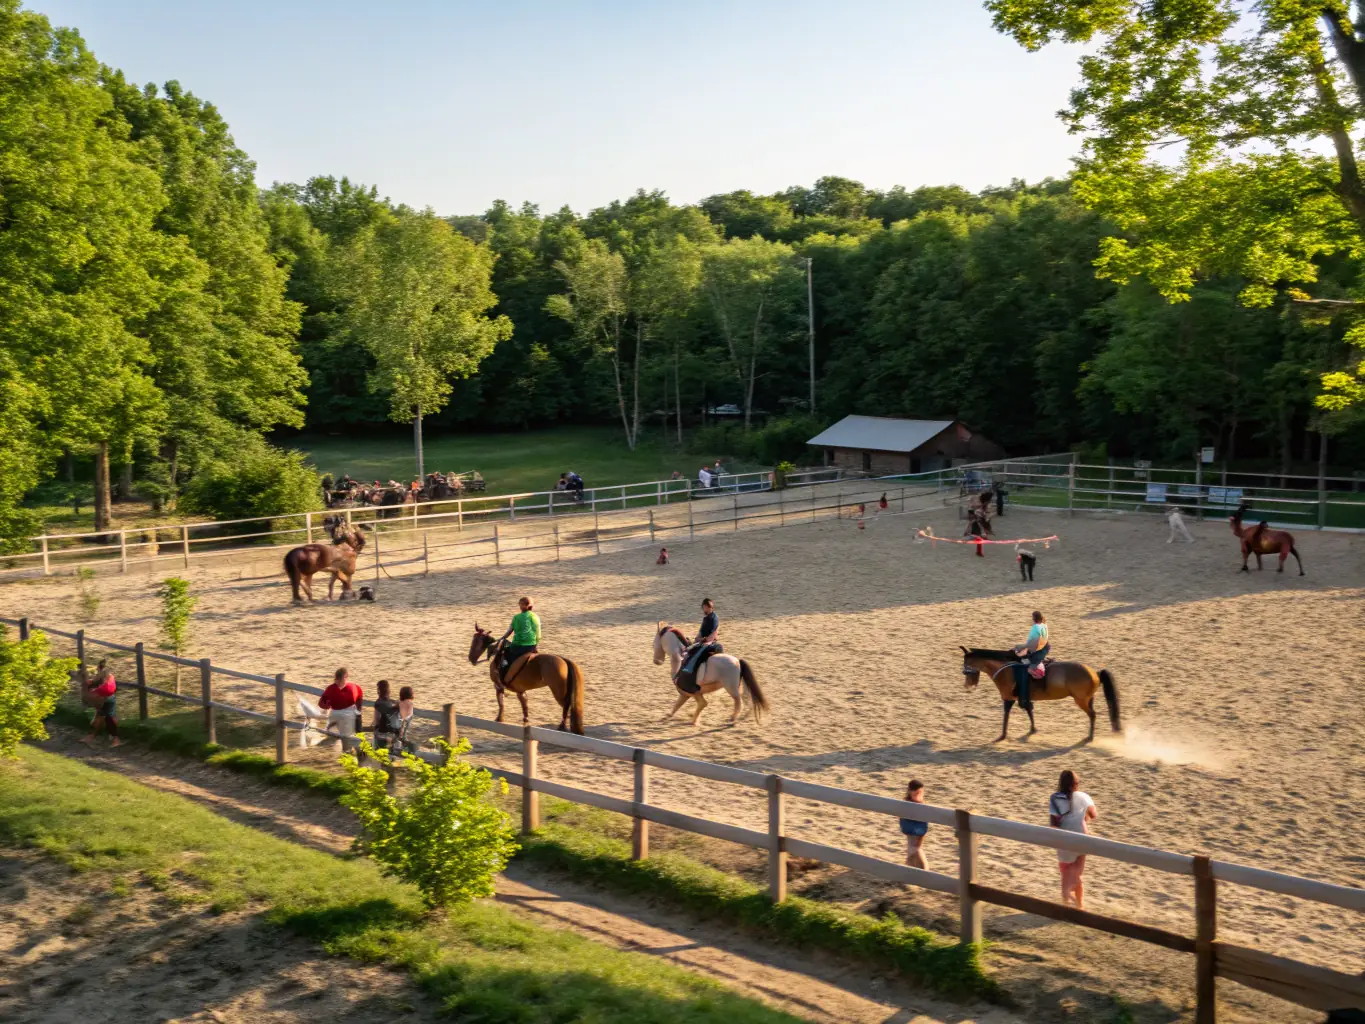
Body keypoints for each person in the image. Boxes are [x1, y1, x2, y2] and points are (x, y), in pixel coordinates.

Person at [1050, 769, 1098, 908]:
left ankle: (1067, 902)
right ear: (1075, 784)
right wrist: (1084, 815)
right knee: (1077, 874)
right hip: (1082, 838)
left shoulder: (1055, 798)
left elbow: (1053, 824)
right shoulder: (1083, 796)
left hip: (1064, 839)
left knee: (1066, 874)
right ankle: (1079, 904)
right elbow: (1093, 814)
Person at [319, 668, 364, 751]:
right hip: (338, 713)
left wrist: (358, 711)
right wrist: (327, 706)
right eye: (339, 680)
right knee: (342, 735)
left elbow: (359, 697)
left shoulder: (352, 687)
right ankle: (348, 751)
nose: (339, 682)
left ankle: (351, 751)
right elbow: (322, 702)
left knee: (348, 735)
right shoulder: (331, 689)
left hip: (347, 714)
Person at [1012, 611, 1049, 711]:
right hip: (1043, 648)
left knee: (1024, 668)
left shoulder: (1035, 627)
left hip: (1036, 650)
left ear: (1034, 618)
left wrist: (1022, 647)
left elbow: (1033, 642)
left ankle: (1025, 697)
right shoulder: (1044, 625)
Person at [80, 660, 121, 748]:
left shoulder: (104, 677)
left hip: (107, 699)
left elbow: (94, 692)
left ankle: (115, 739)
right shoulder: (107, 676)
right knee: (101, 717)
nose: (97, 670)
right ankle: (92, 736)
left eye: (98, 668)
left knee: (108, 719)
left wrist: (91, 687)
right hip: (105, 698)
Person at [498, 596, 541, 678]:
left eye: (520, 604)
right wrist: (535, 644)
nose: (520, 607)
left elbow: (509, 631)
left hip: (518, 645)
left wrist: (502, 638)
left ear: (525, 605)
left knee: (504, 653)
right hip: (531, 645)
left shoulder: (517, 617)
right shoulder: (536, 617)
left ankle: (503, 675)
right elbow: (538, 633)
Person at [680, 598, 720, 680]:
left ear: (709, 607)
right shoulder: (705, 618)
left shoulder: (714, 618)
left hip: (709, 642)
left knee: (698, 652)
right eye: (703, 607)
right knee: (688, 646)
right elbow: (701, 631)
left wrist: (702, 640)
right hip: (702, 640)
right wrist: (697, 639)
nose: (703, 609)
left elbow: (712, 634)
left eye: (704, 607)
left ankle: (689, 668)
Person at [900, 778, 930, 870]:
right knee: (912, 850)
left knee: (916, 849)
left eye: (920, 793)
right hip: (911, 831)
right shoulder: (907, 803)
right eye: (916, 793)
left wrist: (920, 840)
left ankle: (924, 872)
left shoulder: (920, 805)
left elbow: (923, 825)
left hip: (918, 832)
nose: (919, 795)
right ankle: (910, 870)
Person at [370, 679, 403, 757]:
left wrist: (372, 726)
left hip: (383, 733)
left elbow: (377, 720)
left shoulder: (378, 703)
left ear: (378, 691)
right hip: (396, 734)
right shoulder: (394, 702)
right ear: (389, 690)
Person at [398, 685, 416, 753]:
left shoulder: (399, 703)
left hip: (399, 723)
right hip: (406, 725)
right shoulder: (410, 703)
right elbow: (407, 715)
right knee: (404, 740)